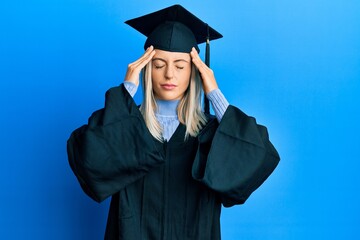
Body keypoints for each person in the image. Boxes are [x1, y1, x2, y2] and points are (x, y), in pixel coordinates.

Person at [67, 4, 280, 240]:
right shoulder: (129, 127)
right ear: (147, 69)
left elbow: (259, 155)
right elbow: (88, 157)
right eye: (158, 65)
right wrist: (126, 92)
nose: (169, 74)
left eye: (180, 66)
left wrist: (214, 94)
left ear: (194, 72)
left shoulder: (208, 133)